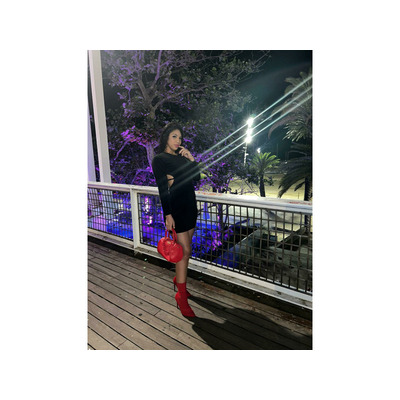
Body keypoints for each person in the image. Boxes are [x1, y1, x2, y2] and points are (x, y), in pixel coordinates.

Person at [152, 122, 201, 317]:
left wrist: (191, 158)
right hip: (177, 207)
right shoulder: (160, 159)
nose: (178, 140)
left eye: (180, 137)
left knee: (187, 251)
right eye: (174, 136)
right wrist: (168, 214)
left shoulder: (182, 157)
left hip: (190, 205)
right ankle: (181, 296)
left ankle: (179, 283)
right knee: (184, 251)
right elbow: (163, 188)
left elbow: (197, 178)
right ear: (166, 137)